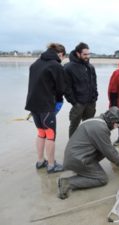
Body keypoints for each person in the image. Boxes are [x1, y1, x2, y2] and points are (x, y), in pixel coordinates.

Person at [58, 107, 119, 199]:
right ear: (113, 121)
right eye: (117, 124)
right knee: (102, 179)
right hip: (77, 159)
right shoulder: (100, 128)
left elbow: (106, 146)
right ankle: (68, 182)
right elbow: (107, 148)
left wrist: (116, 156)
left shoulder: (96, 120)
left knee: (104, 150)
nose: (116, 127)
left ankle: (84, 171)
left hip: (73, 155)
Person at [25, 43, 66, 174]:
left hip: (33, 104)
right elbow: (61, 88)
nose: (61, 59)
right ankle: (52, 165)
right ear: (60, 54)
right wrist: (59, 101)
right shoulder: (55, 65)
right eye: (62, 57)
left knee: (41, 132)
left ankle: (40, 161)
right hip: (46, 105)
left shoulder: (36, 63)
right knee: (50, 135)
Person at [64, 42, 98, 137]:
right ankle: (72, 146)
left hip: (91, 102)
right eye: (85, 54)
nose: (87, 56)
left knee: (89, 126)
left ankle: (86, 145)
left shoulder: (90, 67)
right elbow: (66, 88)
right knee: (74, 126)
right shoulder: (68, 67)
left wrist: (95, 96)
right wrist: (74, 102)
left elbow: (94, 83)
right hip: (78, 104)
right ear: (78, 54)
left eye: (88, 54)